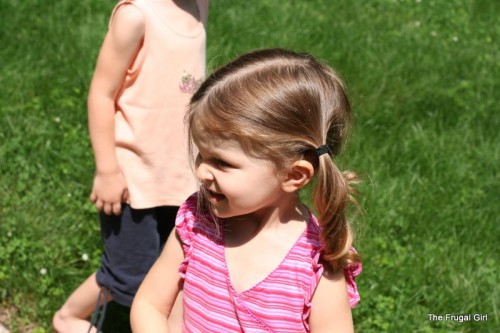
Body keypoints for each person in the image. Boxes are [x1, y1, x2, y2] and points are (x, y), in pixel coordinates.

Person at [130, 48, 362, 332]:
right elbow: (150, 305)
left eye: (222, 163)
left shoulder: (316, 263)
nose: (202, 172)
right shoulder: (198, 221)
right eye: (202, 155)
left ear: (293, 175)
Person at [53, 0, 209, 331]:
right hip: (133, 175)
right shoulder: (136, 15)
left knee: (179, 266)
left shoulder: (199, 5)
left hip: (180, 172)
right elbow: (101, 92)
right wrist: (107, 169)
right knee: (127, 274)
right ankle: (69, 318)